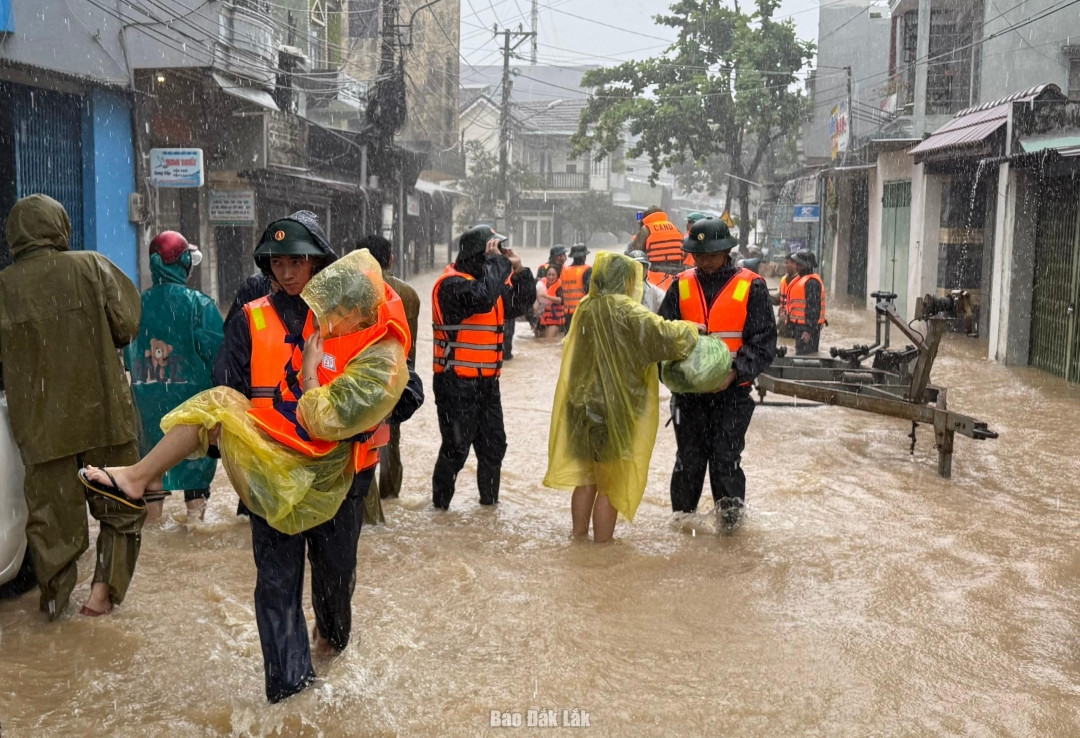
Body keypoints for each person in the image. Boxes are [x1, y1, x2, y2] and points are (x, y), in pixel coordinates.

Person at [82, 234, 417, 703]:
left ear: (320, 265)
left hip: (340, 476)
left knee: (335, 585)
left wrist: (360, 408)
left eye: (297, 261)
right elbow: (226, 380)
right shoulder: (250, 315)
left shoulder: (356, 320)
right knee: (277, 586)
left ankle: (331, 647)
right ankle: (290, 697)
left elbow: (406, 390)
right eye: (277, 262)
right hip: (272, 466)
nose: (287, 272)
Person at [0, 194, 145, 619]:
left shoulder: (4, 287)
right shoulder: (91, 266)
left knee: (52, 526)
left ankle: (55, 609)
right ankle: (101, 597)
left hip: (42, 429)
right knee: (119, 507)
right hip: (104, 414)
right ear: (60, 226)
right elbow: (127, 325)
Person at [544, 252, 699, 542]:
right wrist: (692, 329)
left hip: (580, 403)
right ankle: (603, 550)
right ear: (626, 279)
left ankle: (579, 539)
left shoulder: (586, 307)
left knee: (586, 478)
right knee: (610, 484)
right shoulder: (628, 311)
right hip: (613, 409)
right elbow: (664, 336)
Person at [658, 217, 777, 530]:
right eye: (698, 255)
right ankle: (682, 527)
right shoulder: (680, 284)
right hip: (688, 396)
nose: (705, 261)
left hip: (733, 395)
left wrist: (734, 373)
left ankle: (730, 530)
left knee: (726, 461)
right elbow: (662, 336)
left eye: (711, 254)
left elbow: (763, 342)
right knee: (688, 462)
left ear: (726, 251)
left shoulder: (752, 285)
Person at [126, 231, 224, 523]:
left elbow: (126, 352)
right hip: (191, 405)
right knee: (195, 470)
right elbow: (220, 356)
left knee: (152, 467)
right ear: (183, 262)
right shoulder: (199, 305)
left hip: (147, 403)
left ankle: (153, 529)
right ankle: (195, 527)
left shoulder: (136, 305)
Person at [431, 225, 525, 510]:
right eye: (490, 254)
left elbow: (520, 304)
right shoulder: (451, 285)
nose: (495, 261)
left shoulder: (489, 281)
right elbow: (482, 299)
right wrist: (498, 264)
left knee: (494, 448)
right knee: (455, 451)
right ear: (476, 256)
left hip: (487, 384)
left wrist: (519, 271)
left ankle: (489, 507)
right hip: (455, 383)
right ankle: (440, 510)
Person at [354, 235, 421, 517]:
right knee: (390, 438)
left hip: (358, 381)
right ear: (391, 260)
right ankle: (391, 494)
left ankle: (369, 512)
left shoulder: (350, 292)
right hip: (395, 381)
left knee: (360, 447)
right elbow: (410, 345)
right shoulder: (408, 295)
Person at [788, 250, 826, 355]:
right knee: (802, 356)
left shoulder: (811, 283)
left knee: (806, 358)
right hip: (801, 327)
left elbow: (813, 309)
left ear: (804, 265)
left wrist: (808, 331)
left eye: (798, 264)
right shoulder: (802, 280)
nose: (796, 266)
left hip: (807, 328)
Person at [559, 243, 592, 328]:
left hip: (567, 314)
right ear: (584, 257)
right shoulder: (587, 270)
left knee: (568, 339)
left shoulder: (564, 270)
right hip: (582, 313)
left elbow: (560, 292)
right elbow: (591, 291)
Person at [771, 253, 798, 338]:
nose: (785, 265)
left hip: (795, 325)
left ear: (795, 264)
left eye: (787, 263)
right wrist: (764, 295)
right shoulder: (784, 280)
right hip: (783, 324)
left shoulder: (801, 282)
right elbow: (779, 299)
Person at [536, 265, 565, 338]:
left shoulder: (560, 287)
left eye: (553, 275)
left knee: (547, 342)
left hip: (554, 322)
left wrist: (546, 296)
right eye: (549, 274)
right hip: (541, 321)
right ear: (546, 275)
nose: (551, 277)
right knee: (538, 343)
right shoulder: (540, 285)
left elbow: (561, 300)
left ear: (557, 276)